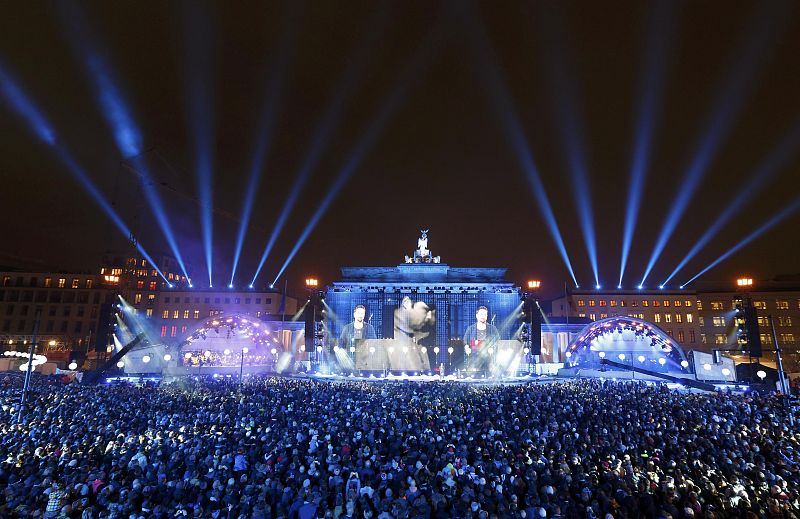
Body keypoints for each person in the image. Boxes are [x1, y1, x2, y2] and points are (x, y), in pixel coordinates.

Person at [462, 306, 500, 373]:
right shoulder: (470, 329)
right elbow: (465, 341)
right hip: (473, 360)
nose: (483, 316)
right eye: (481, 314)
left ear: (487, 316)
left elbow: (498, 341)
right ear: (477, 315)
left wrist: (493, 348)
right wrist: (467, 347)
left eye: (485, 314)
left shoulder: (493, 329)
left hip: (489, 360)